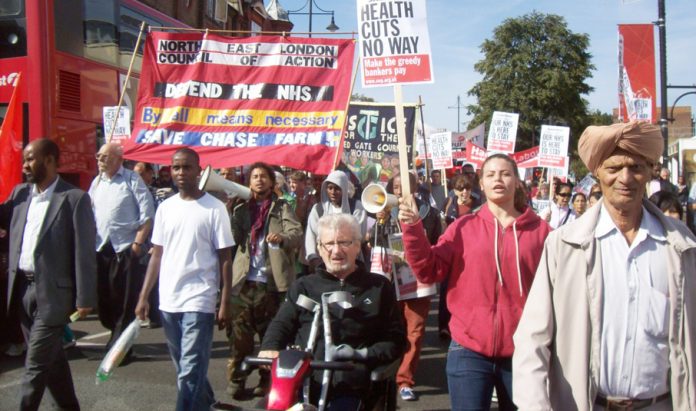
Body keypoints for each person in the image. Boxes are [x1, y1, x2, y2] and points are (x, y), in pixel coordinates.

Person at [513, 120, 696, 410]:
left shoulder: (680, 246)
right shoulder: (565, 245)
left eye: (635, 167)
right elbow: (531, 340)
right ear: (597, 174)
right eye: (613, 168)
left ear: (649, 171)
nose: (625, 178)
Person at [398, 153, 551, 410]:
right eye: (490, 174)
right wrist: (413, 228)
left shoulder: (542, 233)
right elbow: (428, 271)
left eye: (505, 173)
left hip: (524, 352)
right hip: (468, 350)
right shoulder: (462, 228)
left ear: (517, 181)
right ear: (481, 183)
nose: (498, 179)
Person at [259, 213, 406, 409]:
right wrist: (269, 346)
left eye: (344, 242)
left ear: (357, 245)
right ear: (319, 247)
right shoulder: (304, 286)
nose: (336, 251)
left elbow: (396, 340)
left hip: (353, 381)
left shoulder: (378, 287)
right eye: (329, 243)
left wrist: (362, 354)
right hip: (306, 377)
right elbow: (282, 323)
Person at [1, 138, 96, 410]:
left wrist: (85, 296)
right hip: (22, 292)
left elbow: (84, 251)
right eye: (25, 159)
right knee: (52, 363)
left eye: (31, 159)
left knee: (35, 367)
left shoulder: (74, 198)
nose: (26, 165)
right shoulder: (20, 194)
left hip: (53, 295)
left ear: (51, 160)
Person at [135, 148, 233, 411]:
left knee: (189, 372)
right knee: (186, 368)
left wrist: (224, 301)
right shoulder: (165, 208)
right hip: (169, 301)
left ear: (198, 170)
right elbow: (156, 255)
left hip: (199, 300)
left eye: (187, 167)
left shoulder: (215, 209)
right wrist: (144, 297)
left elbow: (225, 258)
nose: (181, 173)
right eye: (176, 167)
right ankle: (208, 404)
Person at [226, 162, 303, 399]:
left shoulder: (282, 208)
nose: (259, 180)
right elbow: (232, 239)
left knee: (269, 337)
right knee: (239, 338)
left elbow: (297, 233)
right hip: (243, 282)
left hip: (271, 284)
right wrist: (230, 211)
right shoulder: (241, 207)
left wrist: (282, 237)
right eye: (255, 176)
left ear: (272, 182)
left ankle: (265, 380)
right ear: (249, 183)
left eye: (263, 176)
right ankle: (237, 380)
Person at [368, 173, 441, 402]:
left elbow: (437, 242)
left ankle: (405, 379)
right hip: (390, 278)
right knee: (389, 328)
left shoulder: (429, 213)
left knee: (415, 330)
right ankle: (387, 371)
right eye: (396, 186)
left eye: (404, 186)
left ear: (415, 187)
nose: (399, 191)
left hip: (417, 279)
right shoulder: (383, 209)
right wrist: (380, 221)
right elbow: (372, 242)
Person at [89, 143, 155, 351]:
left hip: (125, 247)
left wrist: (138, 242)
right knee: (104, 299)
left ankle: (120, 346)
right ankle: (114, 332)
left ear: (118, 158)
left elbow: (147, 213)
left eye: (104, 156)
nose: (99, 160)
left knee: (125, 299)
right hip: (101, 247)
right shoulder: (97, 181)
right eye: (98, 156)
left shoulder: (131, 179)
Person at [305, 170, 367, 270]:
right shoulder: (318, 209)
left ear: (344, 188)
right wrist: (313, 257)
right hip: (324, 262)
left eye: (337, 188)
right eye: (330, 188)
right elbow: (311, 235)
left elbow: (359, 235)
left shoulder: (356, 207)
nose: (333, 192)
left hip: (351, 261)